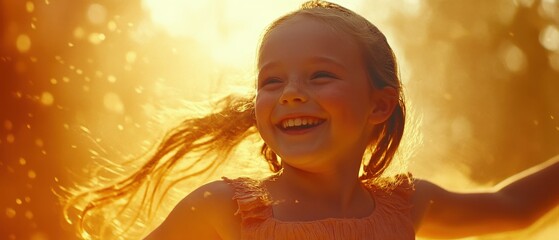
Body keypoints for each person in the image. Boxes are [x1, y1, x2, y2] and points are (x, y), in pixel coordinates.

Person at [64, 1, 559, 239]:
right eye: (272, 81)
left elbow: (512, 205)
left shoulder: (405, 206)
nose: (291, 95)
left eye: (321, 75)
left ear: (379, 106)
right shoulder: (225, 210)